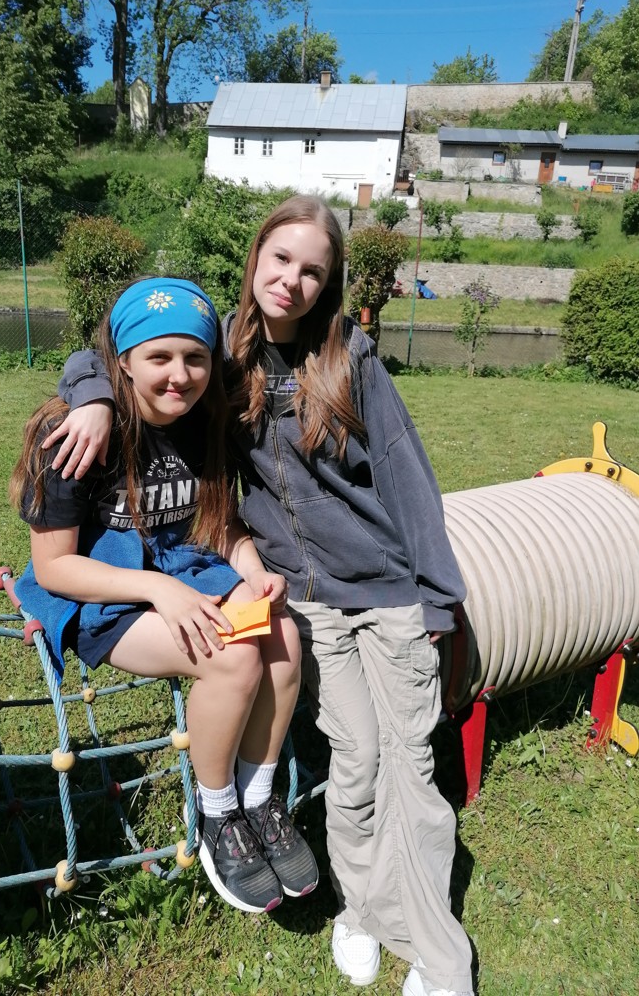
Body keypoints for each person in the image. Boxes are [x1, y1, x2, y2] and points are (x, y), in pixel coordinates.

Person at [49, 202, 474, 996]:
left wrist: (439, 600)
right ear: (254, 260)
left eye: (313, 270)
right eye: (280, 260)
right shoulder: (222, 355)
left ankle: (439, 955)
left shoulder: (349, 356)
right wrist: (90, 397)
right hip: (300, 590)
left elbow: (406, 474)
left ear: (330, 282)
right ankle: (359, 909)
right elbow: (119, 349)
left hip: (382, 585)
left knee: (410, 763)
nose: (292, 281)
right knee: (357, 754)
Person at [10, 276, 318, 917]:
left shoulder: (200, 420)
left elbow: (220, 524)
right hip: (101, 591)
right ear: (123, 361)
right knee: (231, 656)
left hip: (181, 568)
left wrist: (253, 572)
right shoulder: (73, 432)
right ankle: (216, 813)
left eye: (195, 357)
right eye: (159, 357)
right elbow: (54, 566)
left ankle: (258, 796)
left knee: (284, 637)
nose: (180, 375)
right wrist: (159, 589)